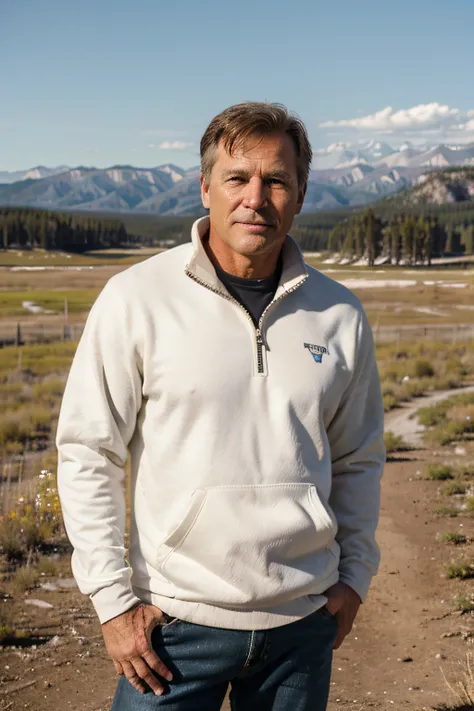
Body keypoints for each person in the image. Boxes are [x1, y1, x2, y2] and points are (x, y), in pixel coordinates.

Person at [56, 101, 386, 711]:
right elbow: (88, 451)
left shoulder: (340, 315)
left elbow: (359, 457)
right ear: (205, 186)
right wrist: (112, 600)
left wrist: (355, 576)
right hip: (173, 629)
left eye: (276, 181)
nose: (255, 198)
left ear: (301, 194)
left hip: (301, 623)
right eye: (238, 178)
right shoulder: (136, 299)